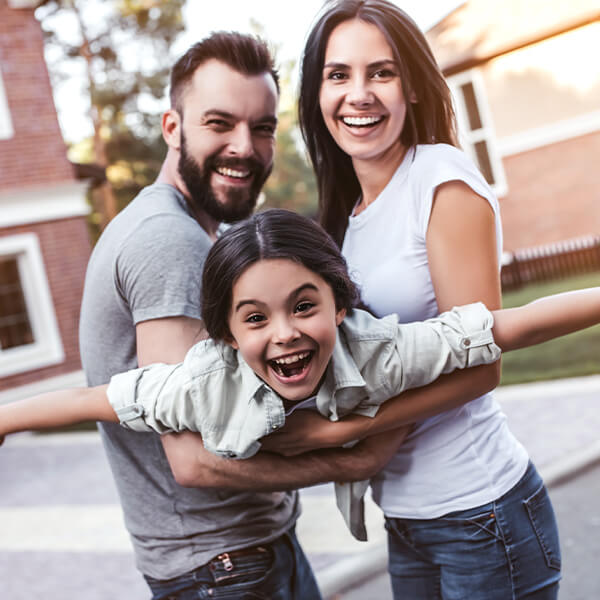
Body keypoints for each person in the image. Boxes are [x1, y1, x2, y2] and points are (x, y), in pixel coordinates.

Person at [2, 209, 599, 542]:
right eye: (256, 318)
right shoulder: (199, 386)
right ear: (227, 336)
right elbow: (92, 399)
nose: (284, 332)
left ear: (339, 304)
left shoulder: (379, 354)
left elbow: (506, 327)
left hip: (488, 509)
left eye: (304, 306)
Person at [74, 32, 408, 600]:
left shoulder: (209, 233)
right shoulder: (169, 242)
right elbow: (195, 460)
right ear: (173, 129)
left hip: (237, 555)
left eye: (261, 128)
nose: (244, 147)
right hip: (222, 567)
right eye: (219, 123)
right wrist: (349, 461)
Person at [292, 0, 565, 597]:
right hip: (409, 518)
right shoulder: (346, 220)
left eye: (381, 73)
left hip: (481, 513)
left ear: (412, 87)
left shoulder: (439, 180)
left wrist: (343, 443)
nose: (358, 94)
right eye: (338, 75)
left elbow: (480, 363)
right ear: (316, 93)